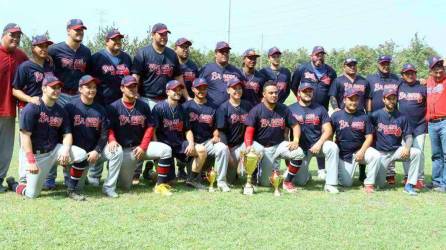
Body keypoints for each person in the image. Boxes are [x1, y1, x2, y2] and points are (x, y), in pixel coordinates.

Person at [5, 76, 87, 199]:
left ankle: (72, 189)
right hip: (38, 156)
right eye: (53, 87)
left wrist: (65, 150)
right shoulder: (32, 108)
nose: (57, 90)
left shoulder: (61, 111)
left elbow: (67, 134)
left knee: (81, 154)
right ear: (43, 88)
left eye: (59, 88)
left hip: (55, 150)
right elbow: (25, 136)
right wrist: (31, 161)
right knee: (31, 194)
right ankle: (13, 184)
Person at [107, 76, 175, 195]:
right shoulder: (114, 107)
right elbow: (109, 128)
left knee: (166, 150)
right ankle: (146, 174)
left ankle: (160, 185)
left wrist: (143, 146)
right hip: (125, 150)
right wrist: (112, 140)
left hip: (142, 147)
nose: (133, 89)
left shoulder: (143, 105)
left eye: (135, 86)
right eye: (129, 87)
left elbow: (150, 127)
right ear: (122, 88)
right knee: (125, 186)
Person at [45, 19, 91, 189]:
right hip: (60, 95)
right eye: (76, 29)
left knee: (75, 133)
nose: (79, 32)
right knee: (53, 132)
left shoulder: (86, 52)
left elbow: (88, 76)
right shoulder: (54, 49)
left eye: (82, 30)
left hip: (78, 96)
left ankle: (70, 176)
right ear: (68, 31)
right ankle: (49, 177)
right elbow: (46, 69)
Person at [65, 75, 123, 198]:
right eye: (88, 87)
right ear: (80, 89)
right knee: (79, 187)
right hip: (76, 154)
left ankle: (109, 187)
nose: (92, 90)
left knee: (117, 151)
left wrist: (97, 150)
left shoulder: (100, 109)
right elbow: (65, 132)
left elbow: (104, 134)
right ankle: (77, 179)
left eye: (94, 87)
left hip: (94, 153)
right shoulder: (70, 107)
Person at [86, 28, 132, 186]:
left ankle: (115, 174)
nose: (117, 42)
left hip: (120, 106)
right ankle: (94, 176)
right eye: (114, 39)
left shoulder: (126, 58)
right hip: (101, 103)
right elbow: (89, 81)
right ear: (106, 41)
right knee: (99, 137)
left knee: (116, 139)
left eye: (119, 39)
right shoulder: (97, 57)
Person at [244, 81, 305, 191]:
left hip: (279, 145)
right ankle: (252, 178)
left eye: (276, 93)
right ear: (264, 94)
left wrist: (295, 140)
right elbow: (249, 131)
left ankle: (287, 181)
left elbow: (295, 125)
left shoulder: (284, 109)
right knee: (266, 183)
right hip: (262, 147)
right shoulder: (256, 110)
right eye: (271, 93)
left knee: (298, 152)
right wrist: (249, 146)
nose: (274, 95)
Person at [290, 46, 336, 179]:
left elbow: (333, 91)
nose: (319, 57)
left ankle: (322, 169)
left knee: (324, 136)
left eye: (322, 55)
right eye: (317, 54)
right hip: (303, 108)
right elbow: (294, 85)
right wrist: (300, 100)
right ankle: (297, 166)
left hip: (321, 109)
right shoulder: (302, 68)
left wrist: (335, 106)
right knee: (302, 134)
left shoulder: (330, 71)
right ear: (311, 56)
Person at [289, 82, 340, 193]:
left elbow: (328, 130)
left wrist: (319, 143)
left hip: (318, 146)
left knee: (332, 147)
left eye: (310, 91)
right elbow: (285, 132)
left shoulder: (320, 108)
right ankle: (305, 175)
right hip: (301, 149)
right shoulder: (291, 109)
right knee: (300, 182)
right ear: (299, 93)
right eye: (305, 91)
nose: (308, 93)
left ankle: (331, 183)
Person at [370, 88, 421, 196]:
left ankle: (409, 185)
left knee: (417, 153)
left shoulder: (402, 117)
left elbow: (408, 136)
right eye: (388, 98)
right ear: (384, 100)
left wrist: (407, 148)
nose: (391, 101)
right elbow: (368, 133)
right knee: (379, 184)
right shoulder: (375, 115)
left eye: (393, 98)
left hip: (396, 150)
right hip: (381, 153)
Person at [182, 78, 230, 191]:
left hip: (207, 141)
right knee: (195, 178)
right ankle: (187, 174)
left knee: (222, 148)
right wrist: (190, 143)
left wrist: (216, 135)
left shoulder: (213, 107)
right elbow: (183, 129)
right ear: (193, 89)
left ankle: (221, 181)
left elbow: (216, 126)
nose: (201, 90)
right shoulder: (186, 106)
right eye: (199, 88)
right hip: (191, 144)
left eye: (204, 88)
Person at [331, 89, 381, 193]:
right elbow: (330, 136)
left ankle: (369, 184)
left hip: (360, 151)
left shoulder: (364, 116)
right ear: (344, 100)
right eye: (350, 99)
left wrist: (362, 151)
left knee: (376, 155)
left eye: (356, 100)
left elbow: (369, 137)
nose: (353, 102)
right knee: (347, 183)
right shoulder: (336, 116)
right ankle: (337, 172)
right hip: (344, 154)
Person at [216, 78, 264, 183]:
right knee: (231, 180)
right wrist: (228, 153)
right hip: (231, 147)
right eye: (234, 88)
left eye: (240, 88)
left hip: (244, 144)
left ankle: (254, 175)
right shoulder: (223, 108)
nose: (237, 91)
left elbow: (253, 126)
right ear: (228, 90)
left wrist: (249, 145)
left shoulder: (248, 106)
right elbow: (221, 132)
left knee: (259, 149)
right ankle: (232, 175)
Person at [132, 23, 187, 109]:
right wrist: (134, 93)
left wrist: (187, 97)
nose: (164, 37)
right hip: (147, 99)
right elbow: (136, 76)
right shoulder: (143, 52)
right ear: (153, 35)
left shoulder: (172, 54)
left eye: (166, 34)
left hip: (167, 100)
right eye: (161, 34)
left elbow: (179, 78)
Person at [0, 23, 28, 192]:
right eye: (13, 35)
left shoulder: (20, 55)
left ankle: (0, 178)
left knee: (5, 148)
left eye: (18, 36)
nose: (16, 39)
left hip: (8, 109)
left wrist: (46, 59)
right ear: (3, 35)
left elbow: (33, 67)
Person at [151, 80, 196, 181]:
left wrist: (191, 143)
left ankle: (192, 179)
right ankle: (149, 173)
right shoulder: (158, 108)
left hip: (179, 144)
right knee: (170, 180)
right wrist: (156, 148)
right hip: (164, 146)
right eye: (174, 90)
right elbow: (153, 130)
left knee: (200, 150)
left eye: (180, 90)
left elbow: (187, 130)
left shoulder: (183, 109)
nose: (178, 92)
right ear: (167, 92)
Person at [397, 64, 426, 189]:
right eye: (407, 73)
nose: (410, 75)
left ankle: (419, 178)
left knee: (419, 151)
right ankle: (407, 176)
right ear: (403, 75)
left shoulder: (422, 88)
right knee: (406, 151)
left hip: (420, 124)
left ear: (416, 74)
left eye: (412, 73)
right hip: (404, 126)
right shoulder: (399, 86)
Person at [198, 41, 244, 108]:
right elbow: (197, 88)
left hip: (230, 110)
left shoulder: (236, 71)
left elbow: (241, 90)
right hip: (210, 108)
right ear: (216, 54)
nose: (224, 53)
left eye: (227, 52)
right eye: (222, 51)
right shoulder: (207, 69)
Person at [426, 56, 446, 192]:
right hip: (432, 124)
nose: (439, 74)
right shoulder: (428, 82)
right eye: (436, 72)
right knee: (436, 155)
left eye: (441, 71)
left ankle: (444, 184)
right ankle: (436, 181)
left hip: (444, 121)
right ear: (431, 71)